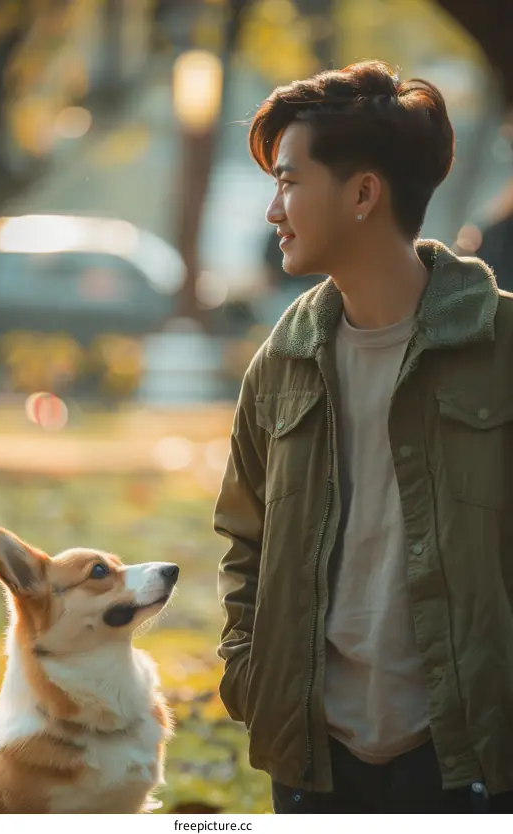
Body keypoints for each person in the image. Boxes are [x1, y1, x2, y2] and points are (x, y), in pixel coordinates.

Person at [214, 60, 513, 814]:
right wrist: (251, 673)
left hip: (475, 759)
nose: (273, 211)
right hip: (316, 763)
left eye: (288, 181)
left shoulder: (503, 347)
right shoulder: (279, 367)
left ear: (362, 194)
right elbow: (244, 540)